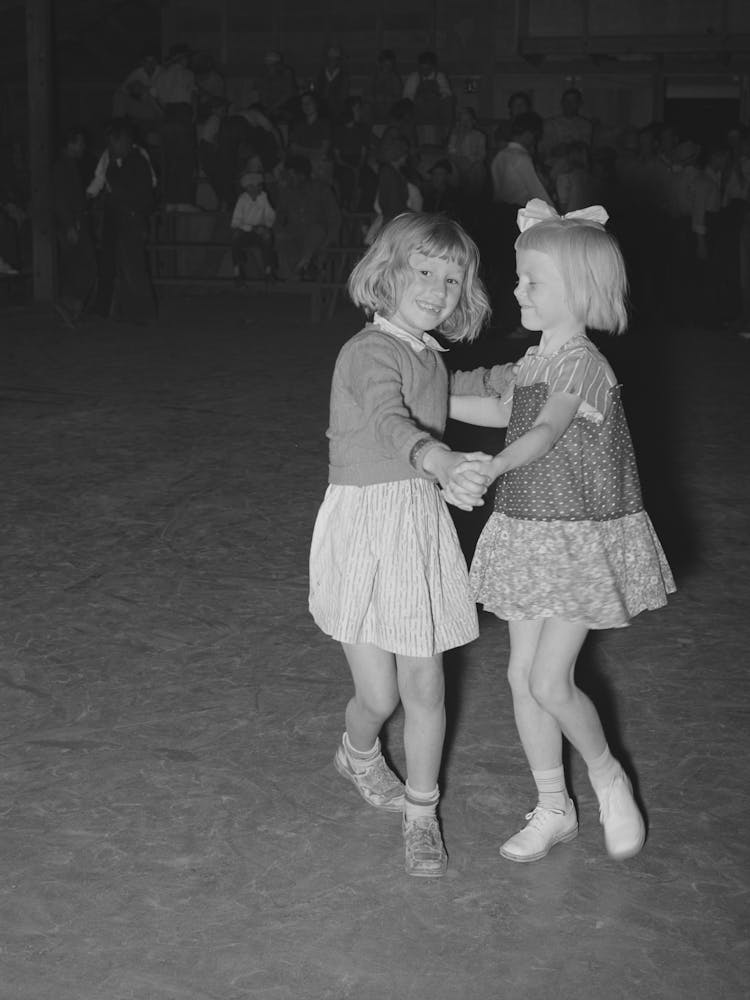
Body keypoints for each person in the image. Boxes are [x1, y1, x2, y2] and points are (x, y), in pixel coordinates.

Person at [450, 199, 675, 864]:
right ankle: (554, 807)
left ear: (575, 292)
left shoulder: (582, 364)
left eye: (532, 282)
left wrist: (494, 467)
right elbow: (501, 407)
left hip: (579, 539)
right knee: (521, 677)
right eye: (519, 278)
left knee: (551, 680)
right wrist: (416, 396)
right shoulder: (534, 360)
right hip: (528, 534)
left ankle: (608, 776)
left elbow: (545, 430)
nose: (517, 290)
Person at [309, 212, 512, 877]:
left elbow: (465, 391)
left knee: (424, 682)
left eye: (451, 281)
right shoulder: (369, 352)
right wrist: (440, 459)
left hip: (415, 528)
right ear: (388, 273)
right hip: (366, 527)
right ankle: (359, 753)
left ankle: (422, 812)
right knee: (379, 698)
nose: (437, 289)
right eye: (423, 272)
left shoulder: (427, 354)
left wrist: (541, 376)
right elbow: (391, 420)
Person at [52, 127, 97, 326]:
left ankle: (72, 306)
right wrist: (70, 224)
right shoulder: (63, 167)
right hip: (72, 223)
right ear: (70, 144)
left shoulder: (68, 165)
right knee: (86, 265)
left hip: (74, 222)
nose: (83, 147)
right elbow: (61, 198)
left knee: (78, 265)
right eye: (80, 143)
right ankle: (69, 303)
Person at [273, 155, 340, 279]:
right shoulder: (286, 192)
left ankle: (306, 262)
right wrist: (280, 230)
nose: (288, 178)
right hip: (295, 236)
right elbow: (279, 219)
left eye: (291, 174)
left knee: (317, 230)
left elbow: (334, 220)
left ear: (301, 175)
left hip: (318, 238)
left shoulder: (321, 190)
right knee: (282, 241)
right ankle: (297, 272)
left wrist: (327, 243)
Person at [230, 170, 276, 281]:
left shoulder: (263, 197)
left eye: (259, 186)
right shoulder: (242, 200)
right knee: (235, 235)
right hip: (245, 233)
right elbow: (235, 222)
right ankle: (237, 270)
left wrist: (265, 227)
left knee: (267, 236)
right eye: (253, 186)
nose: (257, 189)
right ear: (247, 188)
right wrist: (251, 228)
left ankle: (268, 270)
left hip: (259, 233)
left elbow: (270, 216)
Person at [402, 51, 454, 147]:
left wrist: (434, 95)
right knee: (405, 105)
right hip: (418, 110)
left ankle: (446, 135)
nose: (425, 72)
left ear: (433, 67)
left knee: (449, 101)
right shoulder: (414, 77)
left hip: (435, 110)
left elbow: (447, 93)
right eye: (422, 68)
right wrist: (420, 97)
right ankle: (410, 137)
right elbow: (406, 97)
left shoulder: (440, 76)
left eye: (428, 69)